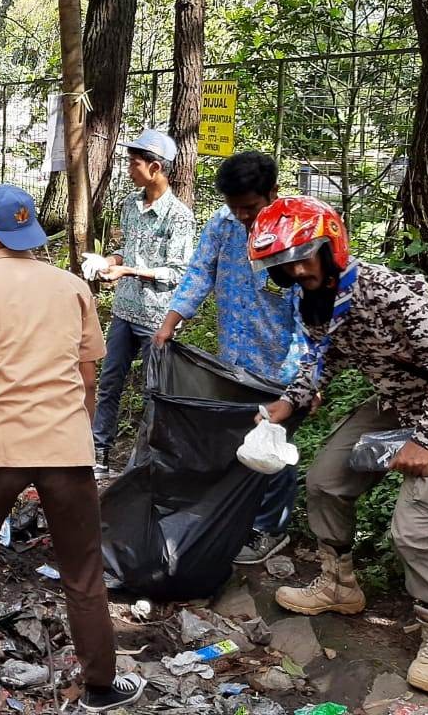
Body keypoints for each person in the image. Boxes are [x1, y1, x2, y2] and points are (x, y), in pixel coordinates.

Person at [251, 196, 428, 696]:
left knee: (413, 528)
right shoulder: (316, 298)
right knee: (326, 480)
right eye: (285, 264)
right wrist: (287, 403)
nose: (296, 270)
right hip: (397, 399)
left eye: (305, 257)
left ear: (333, 248)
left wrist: (423, 440)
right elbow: (323, 358)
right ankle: (339, 585)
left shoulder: (391, 292)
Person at [0, 185, 146, 713]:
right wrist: (78, 431)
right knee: (82, 567)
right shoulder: (72, 288)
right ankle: (101, 687)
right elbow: (90, 379)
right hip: (65, 446)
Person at [151, 153, 305, 565]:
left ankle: (270, 528)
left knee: (273, 443)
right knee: (237, 441)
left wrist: (305, 377)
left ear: (272, 194)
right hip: (233, 360)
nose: (241, 216)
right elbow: (199, 272)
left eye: (249, 208)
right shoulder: (223, 223)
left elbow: (310, 312)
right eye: (235, 206)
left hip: (280, 367)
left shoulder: (295, 235)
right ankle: (238, 515)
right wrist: (170, 322)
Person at [83, 129, 194, 478]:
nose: (129, 169)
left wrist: (127, 270)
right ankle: (99, 452)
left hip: (156, 317)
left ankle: (144, 463)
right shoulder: (129, 205)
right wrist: (108, 262)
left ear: (156, 167)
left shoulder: (179, 217)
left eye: (135, 163)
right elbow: (126, 249)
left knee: (152, 391)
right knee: (110, 382)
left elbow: (177, 271)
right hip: (123, 311)